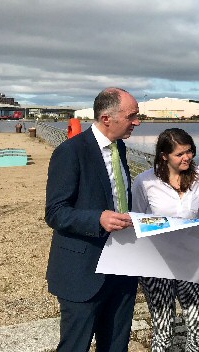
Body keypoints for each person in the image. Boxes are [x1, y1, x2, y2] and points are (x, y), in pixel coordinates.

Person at [45, 87, 141, 352]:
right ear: (107, 117)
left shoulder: (119, 148)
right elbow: (55, 212)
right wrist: (97, 218)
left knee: (116, 345)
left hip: (122, 267)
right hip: (83, 270)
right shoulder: (70, 152)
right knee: (76, 345)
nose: (138, 121)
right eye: (132, 115)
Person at [133, 128, 199, 352]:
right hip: (156, 262)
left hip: (192, 258)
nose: (186, 157)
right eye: (179, 154)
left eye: (189, 151)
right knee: (163, 328)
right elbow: (138, 220)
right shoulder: (145, 182)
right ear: (164, 156)